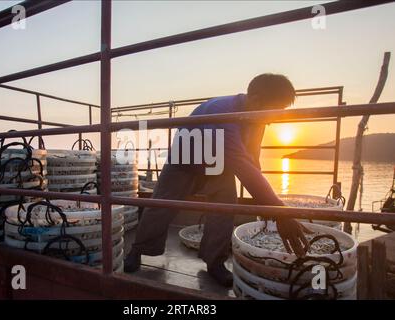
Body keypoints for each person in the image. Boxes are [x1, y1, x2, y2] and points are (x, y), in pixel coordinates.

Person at [124, 73, 310, 287]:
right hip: (184, 160)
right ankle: (137, 250)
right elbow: (241, 164)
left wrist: (267, 206)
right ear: (257, 99)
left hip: (217, 165)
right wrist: (280, 211)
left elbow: (251, 161)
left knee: (225, 206)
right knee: (160, 205)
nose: (276, 118)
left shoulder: (259, 118)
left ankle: (215, 263)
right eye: (276, 111)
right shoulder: (222, 112)